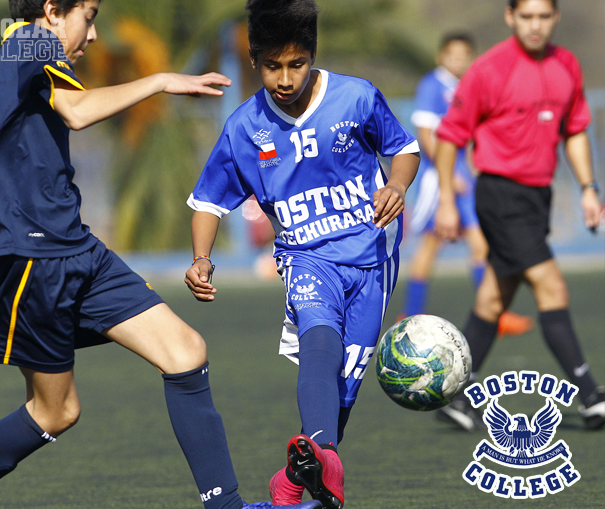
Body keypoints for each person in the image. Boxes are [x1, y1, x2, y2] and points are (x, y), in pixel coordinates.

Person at [0, 1, 324, 509]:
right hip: (31, 259)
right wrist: (158, 82)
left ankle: (226, 506)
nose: (91, 36)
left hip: (77, 250)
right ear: (51, 11)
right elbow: (78, 111)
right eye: (88, 17)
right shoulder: (31, 41)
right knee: (54, 411)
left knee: (184, 351)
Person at [184, 1, 421, 507]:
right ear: (254, 62)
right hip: (305, 256)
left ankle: (295, 485)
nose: (285, 78)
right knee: (319, 342)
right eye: (273, 66)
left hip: (373, 256)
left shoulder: (356, 98)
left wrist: (397, 185)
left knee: (344, 391)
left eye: (297, 64)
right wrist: (201, 258)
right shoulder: (245, 129)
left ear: (312, 55)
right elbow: (207, 203)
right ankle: (320, 468)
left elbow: (404, 149)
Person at [433, 0, 605, 431]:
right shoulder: (489, 70)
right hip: (500, 195)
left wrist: (588, 188)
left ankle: (456, 394)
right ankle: (591, 395)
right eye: (526, 16)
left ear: (556, 17)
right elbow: (450, 136)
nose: (535, 25)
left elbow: (576, 130)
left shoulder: (567, 65)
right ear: (510, 17)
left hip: (537, 197)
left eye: (543, 16)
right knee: (551, 285)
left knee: (495, 296)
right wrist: (447, 201)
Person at [399, 33, 534, 337]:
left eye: (464, 56)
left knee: (481, 245)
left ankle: (494, 313)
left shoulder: (469, 84)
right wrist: (449, 173)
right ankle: (410, 315)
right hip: (441, 180)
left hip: (464, 178)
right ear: (441, 57)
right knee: (431, 246)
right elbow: (426, 134)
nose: (459, 61)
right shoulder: (432, 85)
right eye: (453, 55)